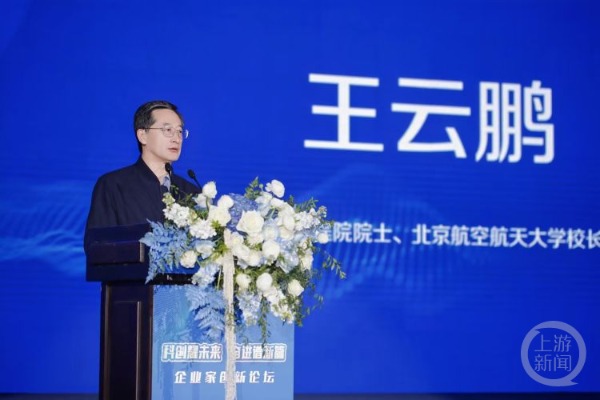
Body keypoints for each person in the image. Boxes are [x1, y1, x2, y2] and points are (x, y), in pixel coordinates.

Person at [84, 100, 199, 251]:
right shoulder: (113, 185)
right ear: (142, 135)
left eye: (179, 131)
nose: (176, 138)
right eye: (167, 130)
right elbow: (97, 247)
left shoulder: (192, 192)